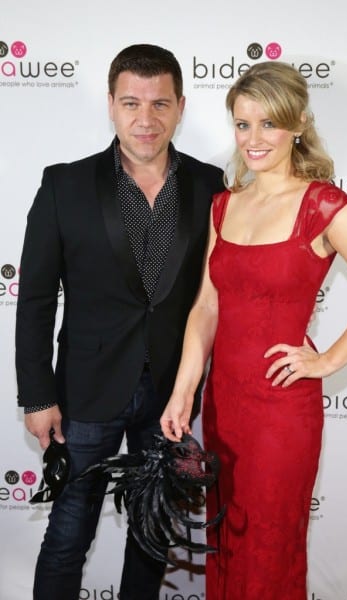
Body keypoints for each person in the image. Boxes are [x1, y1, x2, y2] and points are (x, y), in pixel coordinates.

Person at [160, 61, 347, 600]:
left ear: (297, 124)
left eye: (268, 123)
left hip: (281, 409)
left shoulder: (323, 205)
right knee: (229, 538)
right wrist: (184, 392)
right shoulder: (225, 205)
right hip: (224, 405)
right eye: (242, 124)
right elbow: (206, 306)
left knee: (271, 547)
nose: (254, 139)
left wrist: (327, 360)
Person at [15, 43, 224, 600]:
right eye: (131, 102)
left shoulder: (212, 186)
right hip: (86, 391)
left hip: (170, 395)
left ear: (181, 106)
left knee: (152, 533)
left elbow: (216, 294)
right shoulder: (64, 185)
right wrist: (37, 396)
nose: (145, 118)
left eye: (159, 104)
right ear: (110, 104)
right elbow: (34, 299)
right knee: (67, 533)